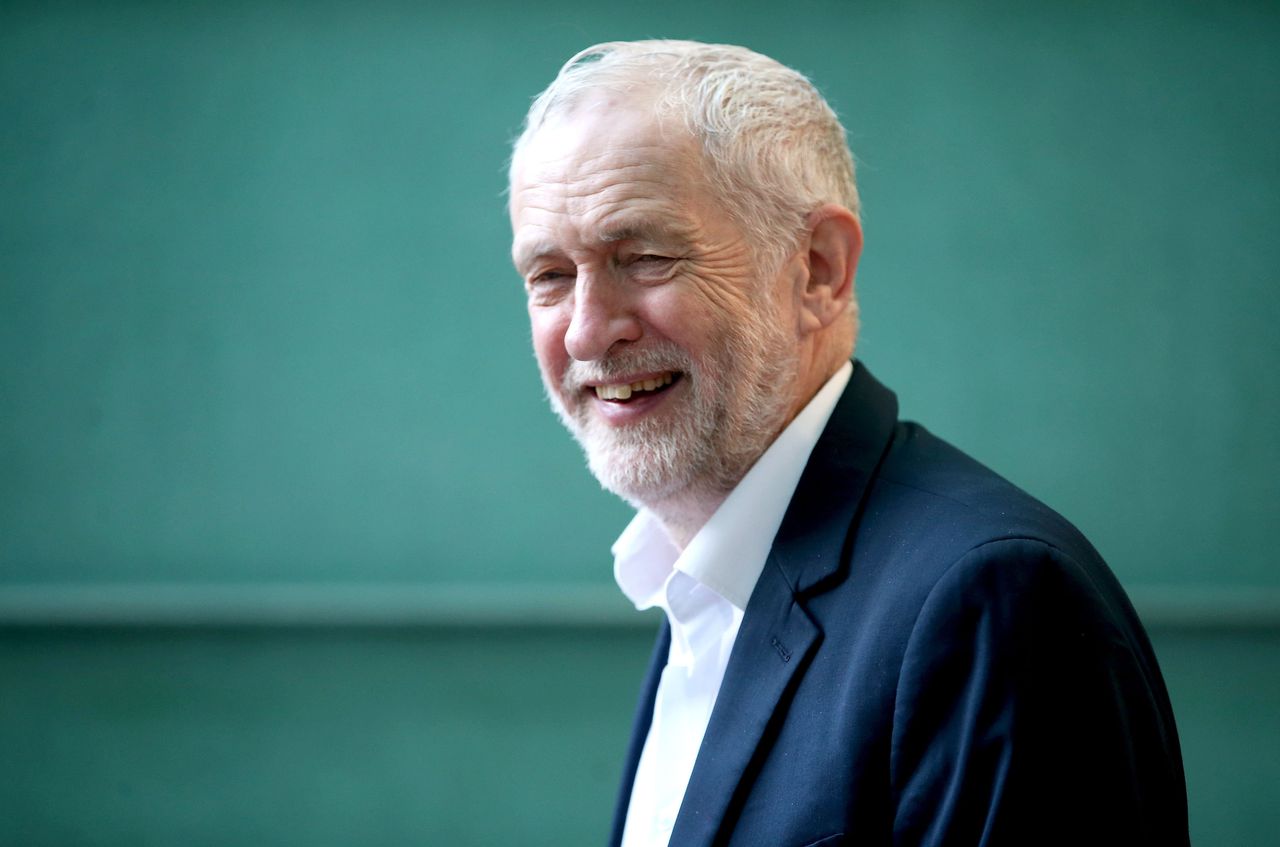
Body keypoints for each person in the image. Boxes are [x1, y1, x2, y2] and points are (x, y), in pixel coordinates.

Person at [508, 40, 1188, 847]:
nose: (587, 330)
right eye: (550, 275)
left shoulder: (992, 600)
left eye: (646, 258)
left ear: (819, 270)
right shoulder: (706, 589)